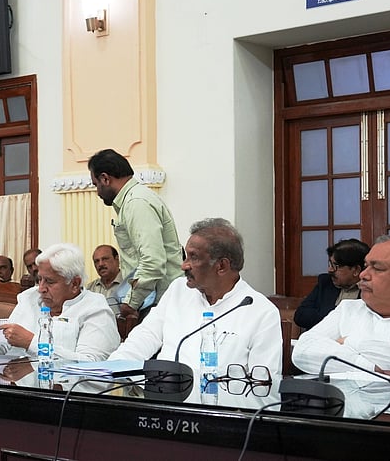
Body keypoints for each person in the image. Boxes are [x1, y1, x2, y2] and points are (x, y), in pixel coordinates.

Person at [108, 218, 283, 391]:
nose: (184, 266)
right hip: (164, 403)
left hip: (220, 413)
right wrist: (111, 368)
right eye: (186, 256)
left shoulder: (261, 312)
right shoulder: (178, 290)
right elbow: (145, 337)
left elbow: (263, 389)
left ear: (221, 266)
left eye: (194, 257)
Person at [0, 243, 119, 361]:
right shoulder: (30, 298)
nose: (41, 288)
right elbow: (4, 343)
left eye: (49, 281)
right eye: (39, 279)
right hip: (27, 392)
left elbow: (91, 365)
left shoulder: (95, 309)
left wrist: (31, 342)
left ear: (75, 283)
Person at [88, 149, 183, 319]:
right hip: (155, 302)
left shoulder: (136, 203)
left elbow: (152, 262)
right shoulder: (135, 200)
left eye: (96, 185)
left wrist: (131, 302)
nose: (97, 192)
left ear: (105, 178)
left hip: (158, 305)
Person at [293, 235, 390, 376]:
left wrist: (348, 342)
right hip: (340, 397)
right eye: (366, 266)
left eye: (377, 268)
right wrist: (370, 367)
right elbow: (303, 352)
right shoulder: (349, 309)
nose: (363, 275)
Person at [294, 239, 370, 330]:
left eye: (336, 266)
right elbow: (301, 315)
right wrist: (336, 320)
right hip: (320, 340)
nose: (330, 270)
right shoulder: (325, 283)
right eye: (330, 264)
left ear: (356, 270)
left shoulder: (370, 289)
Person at [86, 245, 124, 313]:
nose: (100, 264)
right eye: (96, 261)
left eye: (105, 259)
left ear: (117, 259)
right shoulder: (89, 289)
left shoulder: (129, 285)